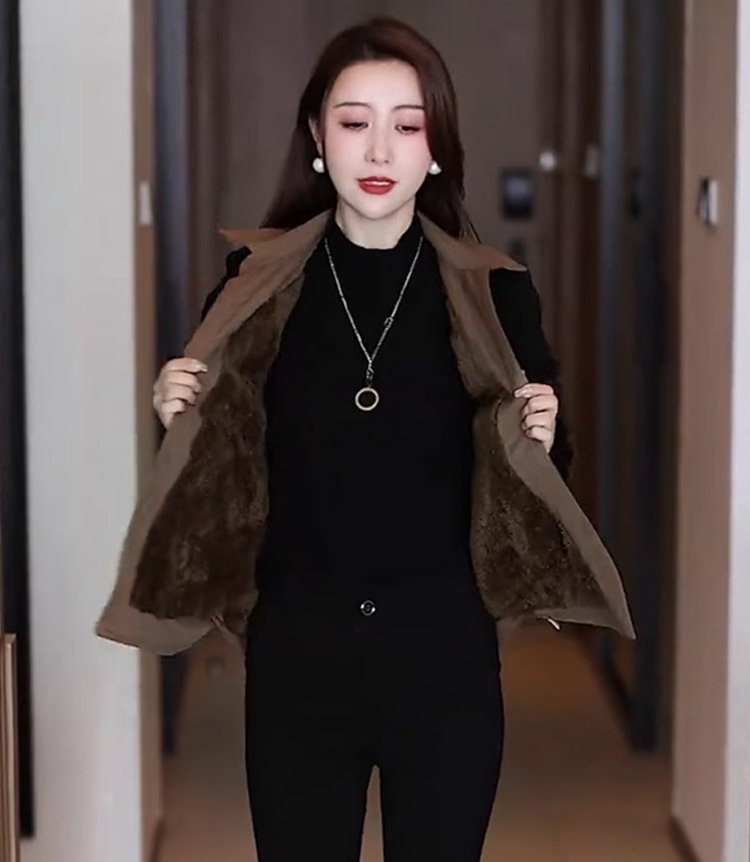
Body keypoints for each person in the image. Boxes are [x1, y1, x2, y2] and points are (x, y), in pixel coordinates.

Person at [114, 15, 634, 862]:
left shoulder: (495, 294)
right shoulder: (253, 289)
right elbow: (218, 467)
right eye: (355, 122)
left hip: (444, 659)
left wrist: (545, 431)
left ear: (437, 149)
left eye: (408, 125)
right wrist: (176, 416)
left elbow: (545, 471)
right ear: (318, 139)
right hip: (298, 658)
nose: (380, 149)